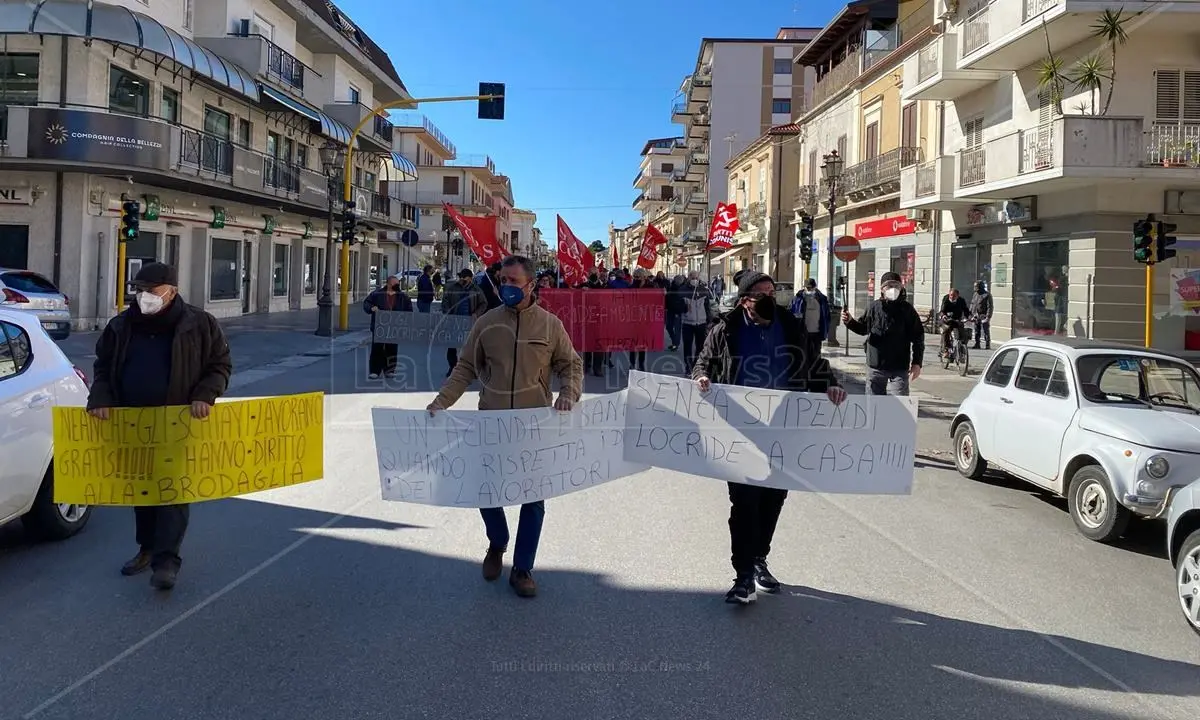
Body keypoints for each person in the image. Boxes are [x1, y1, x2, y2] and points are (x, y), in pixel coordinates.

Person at [427, 255, 583, 598]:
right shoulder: (486, 323)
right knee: (486, 491)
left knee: (534, 500)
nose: (506, 287)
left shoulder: (550, 325)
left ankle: (523, 569)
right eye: (503, 281)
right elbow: (465, 367)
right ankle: (497, 542)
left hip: (534, 425)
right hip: (492, 423)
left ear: (531, 285)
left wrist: (568, 394)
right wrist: (442, 401)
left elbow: (571, 365)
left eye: (513, 281)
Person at [692, 271, 847, 605]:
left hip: (784, 429)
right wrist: (702, 376)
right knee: (744, 503)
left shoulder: (790, 326)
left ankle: (760, 557)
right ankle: (743, 575)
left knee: (773, 499)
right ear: (745, 299)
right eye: (761, 293)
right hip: (740, 431)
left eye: (771, 292)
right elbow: (703, 363)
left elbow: (813, 362)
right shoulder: (725, 330)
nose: (768, 297)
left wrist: (830, 383)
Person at [86, 262, 232, 591]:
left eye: (151, 291)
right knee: (143, 490)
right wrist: (100, 398)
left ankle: (167, 561)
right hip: (133, 422)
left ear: (172, 291)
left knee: (172, 491)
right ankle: (147, 548)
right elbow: (103, 367)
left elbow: (219, 364)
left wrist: (205, 395)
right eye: (139, 290)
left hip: (179, 423)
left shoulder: (199, 324)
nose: (144, 297)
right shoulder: (121, 326)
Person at [841, 272, 924, 396]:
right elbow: (863, 328)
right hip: (876, 365)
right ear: (882, 289)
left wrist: (917, 363)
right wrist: (850, 322)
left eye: (896, 286)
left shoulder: (907, 310)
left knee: (900, 404)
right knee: (874, 405)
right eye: (888, 286)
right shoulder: (874, 307)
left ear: (901, 288)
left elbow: (918, 337)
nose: (893, 289)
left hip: (899, 365)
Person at [364, 274, 413, 379]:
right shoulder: (377, 294)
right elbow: (366, 303)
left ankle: (389, 370)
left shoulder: (403, 297)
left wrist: (404, 319)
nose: (397, 285)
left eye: (397, 284)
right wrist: (372, 308)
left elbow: (409, 309)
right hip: (379, 326)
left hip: (394, 327)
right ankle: (375, 371)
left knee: (392, 348)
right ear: (388, 284)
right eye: (394, 283)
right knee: (377, 348)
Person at [442, 268, 487, 375]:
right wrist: (448, 313)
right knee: (452, 346)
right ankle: (452, 367)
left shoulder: (476, 290)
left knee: (470, 347)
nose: (462, 280)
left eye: (465, 278)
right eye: (461, 277)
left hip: (470, 322)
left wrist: (476, 313)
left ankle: (471, 369)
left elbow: (484, 303)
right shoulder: (452, 288)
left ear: (470, 279)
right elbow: (445, 301)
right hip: (455, 321)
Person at [790, 278, 830, 365]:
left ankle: (814, 374)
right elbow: (791, 314)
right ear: (804, 288)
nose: (809, 290)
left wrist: (825, 330)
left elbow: (826, 316)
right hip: (802, 333)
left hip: (817, 333)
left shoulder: (822, 299)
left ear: (815, 287)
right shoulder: (797, 299)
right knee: (803, 356)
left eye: (811, 288)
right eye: (807, 288)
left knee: (815, 357)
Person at [680, 270, 714, 373]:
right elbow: (676, 305)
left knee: (700, 346)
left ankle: (696, 365)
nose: (694, 280)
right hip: (687, 323)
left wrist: (710, 320)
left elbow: (707, 306)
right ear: (689, 278)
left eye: (696, 278)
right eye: (692, 278)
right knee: (687, 346)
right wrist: (684, 307)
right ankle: (688, 366)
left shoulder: (704, 290)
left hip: (701, 323)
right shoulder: (683, 290)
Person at [627, 269, 654, 372]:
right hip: (633, 318)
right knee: (633, 342)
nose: (637, 279)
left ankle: (641, 363)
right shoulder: (631, 287)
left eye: (639, 277)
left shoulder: (650, 287)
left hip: (645, 318)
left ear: (644, 277)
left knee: (642, 342)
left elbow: (655, 300)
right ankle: (632, 363)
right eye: (636, 277)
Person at [939, 287, 970, 357]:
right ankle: (946, 350)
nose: (952, 297)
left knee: (963, 334)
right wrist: (944, 315)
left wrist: (968, 317)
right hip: (946, 320)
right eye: (951, 295)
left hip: (956, 319)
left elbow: (966, 310)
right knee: (946, 330)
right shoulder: (946, 298)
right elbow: (942, 310)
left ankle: (961, 349)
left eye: (954, 295)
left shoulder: (961, 300)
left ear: (958, 296)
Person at [969, 280, 993, 350]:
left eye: (976, 286)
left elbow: (990, 307)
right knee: (976, 330)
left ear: (980, 286)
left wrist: (988, 317)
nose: (974, 288)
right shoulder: (975, 294)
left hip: (983, 315)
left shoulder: (987, 295)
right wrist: (970, 314)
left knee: (986, 330)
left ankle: (987, 344)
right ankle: (977, 344)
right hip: (976, 315)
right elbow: (972, 304)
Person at [664, 274, 686, 351]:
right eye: (677, 280)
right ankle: (674, 341)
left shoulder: (684, 288)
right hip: (670, 310)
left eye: (680, 280)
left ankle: (675, 345)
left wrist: (683, 309)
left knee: (677, 329)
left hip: (678, 311)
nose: (678, 282)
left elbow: (685, 301)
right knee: (668, 326)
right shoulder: (671, 287)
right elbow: (667, 297)